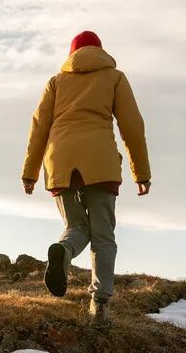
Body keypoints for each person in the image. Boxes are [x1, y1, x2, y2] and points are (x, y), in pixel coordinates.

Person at [21, 30, 151, 326]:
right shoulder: (114, 77)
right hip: (100, 162)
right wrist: (141, 172)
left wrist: (29, 172)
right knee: (103, 234)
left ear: (71, 54)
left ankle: (64, 252)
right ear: (100, 51)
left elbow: (39, 127)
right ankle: (100, 305)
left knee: (75, 226)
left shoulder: (56, 80)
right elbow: (132, 126)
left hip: (60, 161)